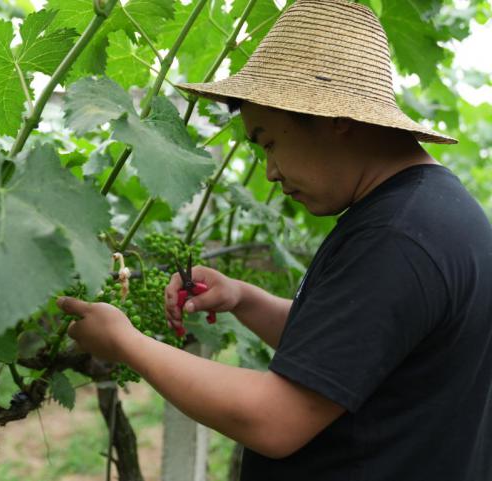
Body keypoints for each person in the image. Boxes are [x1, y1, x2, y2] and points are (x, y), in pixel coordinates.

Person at [57, 0, 492, 479]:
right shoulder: (428, 211)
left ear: (335, 118)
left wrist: (126, 343)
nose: (270, 171)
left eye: (269, 141)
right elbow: (347, 350)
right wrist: (244, 299)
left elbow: (273, 420)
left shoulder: (398, 237)